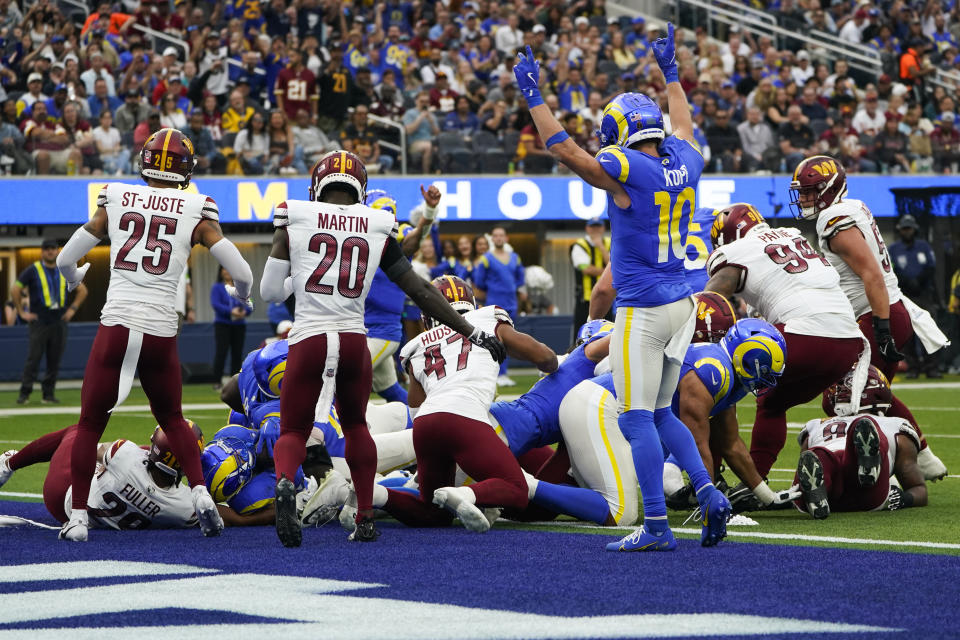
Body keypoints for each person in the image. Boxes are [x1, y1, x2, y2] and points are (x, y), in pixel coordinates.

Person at [513, 28, 730, 553]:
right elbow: (684, 120)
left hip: (644, 310)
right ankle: (709, 493)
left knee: (636, 418)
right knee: (660, 413)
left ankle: (656, 526)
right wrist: (672, 74)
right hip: (684, 303)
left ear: (618, 133)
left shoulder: (627, 170)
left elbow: (564, 150)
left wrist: (534, 97)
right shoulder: (687, 159)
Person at [259, 150, 506, 547]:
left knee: (293, 427)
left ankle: (287, 481)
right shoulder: (378, 224)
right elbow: (421, 290)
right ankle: (365, 515)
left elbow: (270, 292)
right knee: (357, 425)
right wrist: (469, 331)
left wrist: (298, 279)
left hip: (310, 337)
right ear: (361, 188)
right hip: (356, 337)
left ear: (317, 185)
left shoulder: (296, 215)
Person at [53, 127, 254, 542]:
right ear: (186, 168)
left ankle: (77, 519)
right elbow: (244, 272)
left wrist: (74, 277)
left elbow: (64, 258)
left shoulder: (118, 195)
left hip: (118, 321)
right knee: (173, 418)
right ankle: (200, 494)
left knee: (91, 422)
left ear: (144, 161)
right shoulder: (197, 206)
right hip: (161, 326)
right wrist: (243, 292)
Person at [323, 276, 556, 532]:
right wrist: (553, 368)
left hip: (426, 425)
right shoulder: (488, 318)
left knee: (432, 511)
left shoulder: (416, 346)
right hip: (464, 415)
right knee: (516, 488)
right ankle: (468, 495)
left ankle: (377, 495)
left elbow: (415, 410)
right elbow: (544, 356)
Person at [790, 156, 948, 481]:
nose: (804, 198)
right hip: (888, 309)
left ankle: (882, 474)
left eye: (809, 191)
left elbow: (871, 274)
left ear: (829, 188)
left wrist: (881, 327)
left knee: (841, 399)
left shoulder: (834, 219)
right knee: (876, 394)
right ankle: (922, 456)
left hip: (876, 313)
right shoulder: (853, 207)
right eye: (802, 192)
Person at [705, 203, 865, 479]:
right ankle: (756, 480)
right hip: (849, 342)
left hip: (802, 333)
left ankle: (708, 477)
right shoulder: (792, 235)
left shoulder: (736, 251)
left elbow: (710, 300)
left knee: (711, 382)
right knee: (772, 402)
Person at [0, 423, 206, 530]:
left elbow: (88, 449)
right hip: (103, 520)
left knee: (78, 432)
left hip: (63, 496)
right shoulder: (185, 507)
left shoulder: (126, 454)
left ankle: (9, 463)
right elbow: (220, 515)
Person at [796, 366, 927, 518]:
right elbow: (918, 488)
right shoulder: (815, 425)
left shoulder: (815, 425)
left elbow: (919, 489)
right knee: (820, 455)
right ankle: (819, 496)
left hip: (860, 492)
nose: (840, 389)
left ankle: (866, 466)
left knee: (830, 448)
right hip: (854, 496)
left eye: (847, 384)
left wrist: (903, 499)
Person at [363, 186, 435, 404]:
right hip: (362, 326)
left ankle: (334, 431)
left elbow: (412, 240)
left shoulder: (397, 235)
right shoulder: (360, 238)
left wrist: (429, 213)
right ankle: (425, 416)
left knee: (344, 375)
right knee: (389, 390)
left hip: (380, 330)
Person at [13, 239, 88, 405]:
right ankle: (24, 393)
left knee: (54, 359)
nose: (50, 252)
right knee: (34, 358)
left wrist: (72, 310)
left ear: (57, 251)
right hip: (40, 320)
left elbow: (82, 290)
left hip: (59, 320)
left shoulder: (65, 270)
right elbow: (15, 289)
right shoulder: (33, 270)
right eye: (47, 249)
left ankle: (48, 394)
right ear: (42, 251)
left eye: (53, 249)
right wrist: (21, 312)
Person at [889, 214, 943, 378]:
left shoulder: (923, 246)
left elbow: (931, 267)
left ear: (915, 229)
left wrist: (919, 280)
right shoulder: (893, 249)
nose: (907, 231)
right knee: (907, 333)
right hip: (904, 295)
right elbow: (891, 270)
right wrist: (906, 281)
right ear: (900, 230)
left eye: (909, 228)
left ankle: (931, 367)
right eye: (904, 229)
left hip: (924, 294)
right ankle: (913, 367)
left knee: (928, 330)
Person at [473, 226, 525, 386]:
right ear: (492, 239)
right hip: (494, 304)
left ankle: (504, 373)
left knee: (510, 339)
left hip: (511, 303)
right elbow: (479, 281)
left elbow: (520, 278)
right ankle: (498, 374)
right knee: (496, 339)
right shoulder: (486, 259)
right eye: (496, 236)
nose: (499, 238)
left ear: (506, 238)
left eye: (501, 235)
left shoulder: (515, 257)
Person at [211, 266, 253, 389]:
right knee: (221, 352)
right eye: (223, 269)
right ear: (220, 272)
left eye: (228, 269)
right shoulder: (217, 287)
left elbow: (249, 303)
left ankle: (235, 382)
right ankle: (217, 381)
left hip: (239, 325)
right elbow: (216, 304)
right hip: (222, 324)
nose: (226, 271)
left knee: (237, 354)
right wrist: (231, 311)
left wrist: (245, 312)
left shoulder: (241, 287)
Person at [569, 217, 610, 332]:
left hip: (607, 298)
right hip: (585, 299)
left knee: (607, 333)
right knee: (583, 333)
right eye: (593, 227)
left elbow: (616, 265)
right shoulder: (579, 245)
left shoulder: (610, 242)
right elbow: (585, 269)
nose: (596, 230)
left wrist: (601, 247)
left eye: (598, 226)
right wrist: (609, 272)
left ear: (603, 228)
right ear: (587, 228)